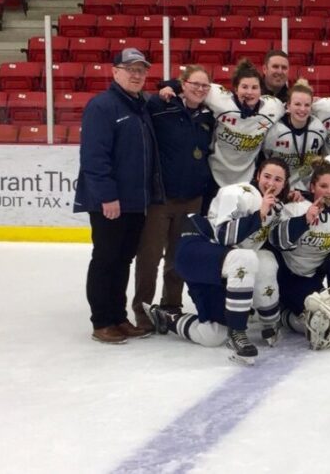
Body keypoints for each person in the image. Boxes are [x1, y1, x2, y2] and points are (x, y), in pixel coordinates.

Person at [149, 158, 290, 364]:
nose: (271, 183)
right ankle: (238, 334)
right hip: (197, 252)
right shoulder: (238, 193)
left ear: (284, 184)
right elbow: (224, 236)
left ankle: (167, 318)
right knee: (246, 258)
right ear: (257, 175)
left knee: (214, 335)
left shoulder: (276, 208)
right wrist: (259, 214)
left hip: (224, 263)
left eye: (278, 180)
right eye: (267, 176)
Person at [74, 47, 163, 344]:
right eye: (130, 69)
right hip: (111, 202)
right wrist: (106, 197)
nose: (136, 75)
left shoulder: (141, 105)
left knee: (123, 260)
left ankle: (118, 316)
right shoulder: (103, 106)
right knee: (106, 259)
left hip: (137, 201)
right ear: (115, 72)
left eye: (141, 70)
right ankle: (102, 320)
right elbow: (94, 157)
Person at [131, 65, 215, 332]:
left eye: (205, 86)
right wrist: (166, 85)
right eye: (195, 84)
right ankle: (142, 309)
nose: (200, 89)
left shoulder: (208, 115)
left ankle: (171, 306)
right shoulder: (161, 104)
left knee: (178, 257)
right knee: (150, 257)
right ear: (183, 84)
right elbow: (145, 95)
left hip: (192, 198)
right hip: (161, 198)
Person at [160, 59, 286, 209]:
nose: (249, 92)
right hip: (215, 176)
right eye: (244, 87)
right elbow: (191, 83)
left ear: (261, 90)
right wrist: (168, 86)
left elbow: (297, 106)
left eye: (254, 87)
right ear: (235, 89)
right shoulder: (219, 99)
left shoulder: (274, 107)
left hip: (246, 179)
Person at [268, 160, 330, 331]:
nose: (329, 191)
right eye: (323, 186)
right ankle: (279, 312)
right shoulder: (296, 207)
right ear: (312, 187)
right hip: (289, 275)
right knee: (317, 323)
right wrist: (304, 220)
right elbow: (277, 241)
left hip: (314, 276)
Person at [264, 78, 326, 193]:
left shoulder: (319, 129)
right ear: (288, 105)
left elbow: (319, 157)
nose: (302, 109)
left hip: (307, 186)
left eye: (307, 105)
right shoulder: (274, 130)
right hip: (277, 186)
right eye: (297, 104)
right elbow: (264, 160)